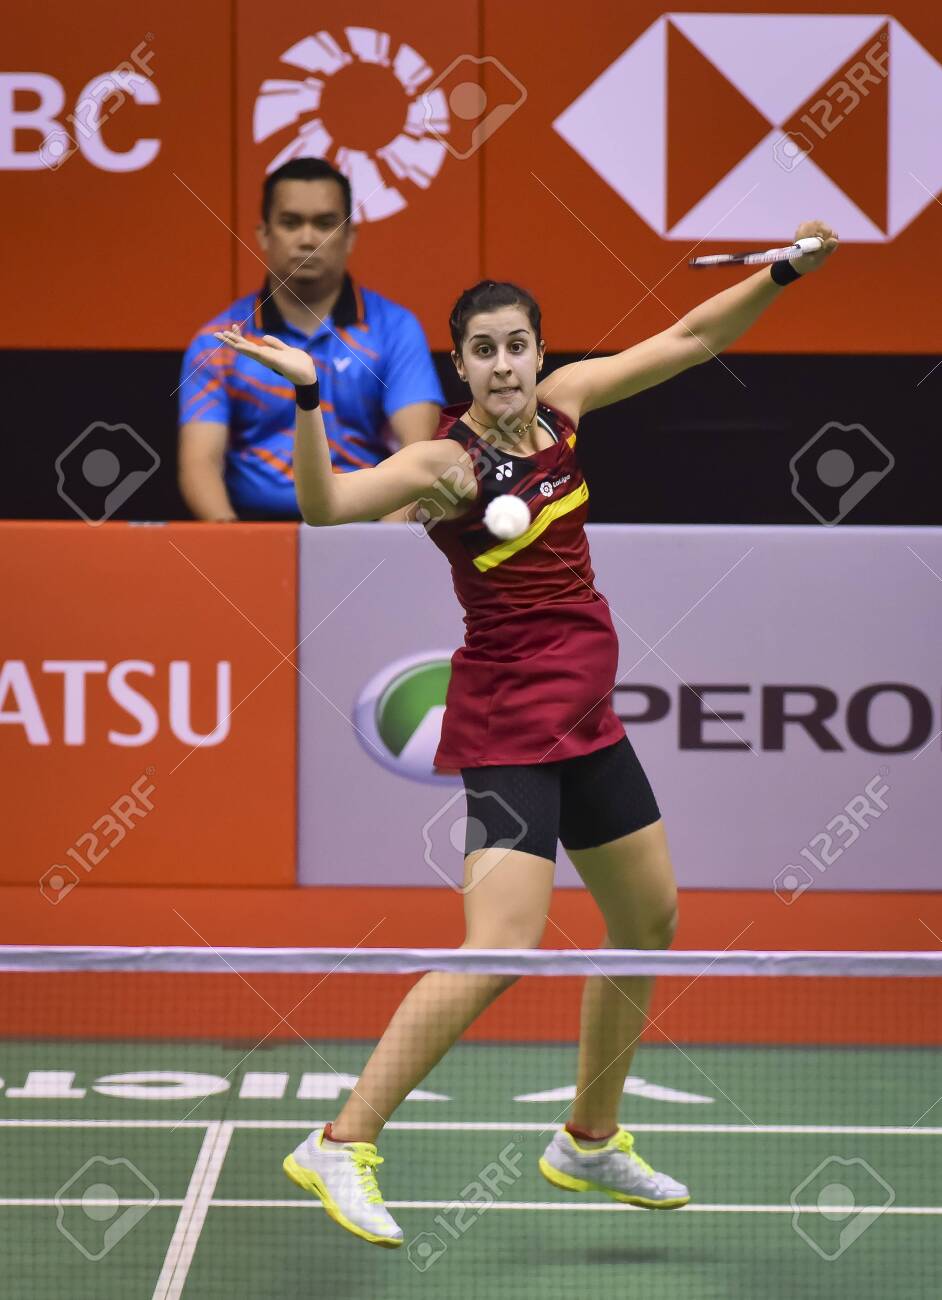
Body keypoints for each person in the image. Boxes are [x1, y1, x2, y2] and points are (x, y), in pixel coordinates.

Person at [214, 220, 839, 1247]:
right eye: (483, 349)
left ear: (538, 354)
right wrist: (311, 398)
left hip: (587, 716)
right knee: (500, 944)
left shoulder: (566, 407)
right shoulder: (442, 465)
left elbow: (689, 339)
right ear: (457, 365)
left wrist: (781, 271)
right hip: (511, 721)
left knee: (650, 920)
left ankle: (588, 1138)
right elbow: (325, 510)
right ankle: (342, 1138)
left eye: (517, 345)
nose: (504, 364)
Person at [178, 158, 444, 522]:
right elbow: (200, 465)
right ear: (263, 234)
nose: (307, 239)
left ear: (350, 236)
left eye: (325, 223)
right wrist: (236, 550)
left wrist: (385, 546)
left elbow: (419, 454)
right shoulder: (219, 341)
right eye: (290, 223)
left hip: (365, 526)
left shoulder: (396, 330)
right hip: (253, 530)